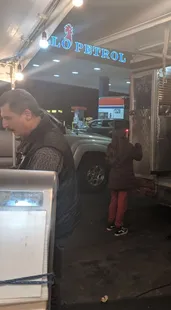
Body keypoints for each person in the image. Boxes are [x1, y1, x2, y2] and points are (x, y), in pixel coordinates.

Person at [0, 89, 79, 309]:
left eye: (7, 118)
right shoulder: (35, 137)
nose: (4, 125)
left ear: (26, 114)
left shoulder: (47, 149)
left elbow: (32, 197)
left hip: (52, 229)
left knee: (46, 282)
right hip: (49, 225)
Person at [106, 128, 142, 236]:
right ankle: (119, 226)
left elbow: (108, 161)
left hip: (113, 178)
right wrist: (138, 146)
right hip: (124, 179)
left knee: (113, 200)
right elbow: (139, 156)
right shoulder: (128, 146)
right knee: (122, 202)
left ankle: (110, 223)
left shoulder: (110, 147)